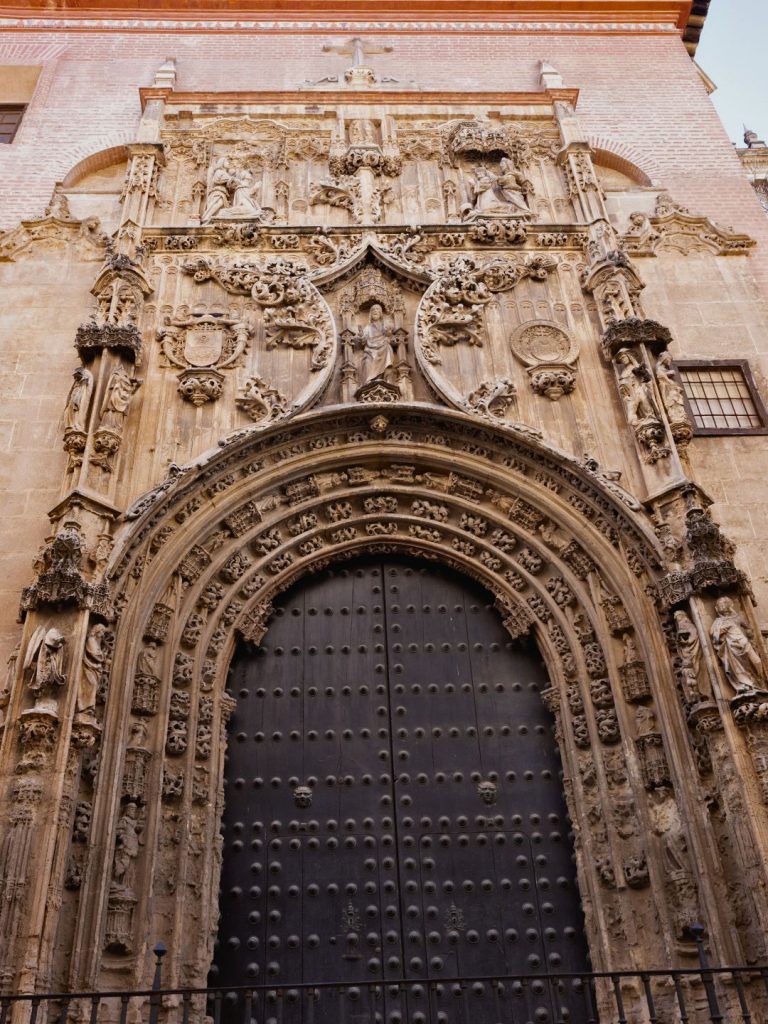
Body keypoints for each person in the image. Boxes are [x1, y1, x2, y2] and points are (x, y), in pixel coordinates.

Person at [710, 596, 764, 695]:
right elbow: (713, 633)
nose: (723, 606)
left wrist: (750, 634)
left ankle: (760, 681)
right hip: (732, 647)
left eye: (725, 603)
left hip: (744, 643)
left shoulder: (737, 617)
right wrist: (721, 631)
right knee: (737, 668)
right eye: (720, 604)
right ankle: (746, 685)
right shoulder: (718, 621)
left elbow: (747, 627)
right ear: (717, 608)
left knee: (757, 661)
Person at [359, 304, 395, 384]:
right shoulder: (368, 327)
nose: (375, 311)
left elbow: (389, 335)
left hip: (382, 348)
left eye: (377, 309)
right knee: (367, 361)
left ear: (381, 313)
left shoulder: (384, 325)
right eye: (373, 310)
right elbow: (363, 340)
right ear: (371, 314)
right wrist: (361, 335)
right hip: (370, 350)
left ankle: (386, 378)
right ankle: (369, 381)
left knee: (387, 348)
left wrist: (388, 333)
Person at [64, 367, 93, 433]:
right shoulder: (77, 383)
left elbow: (87, 384)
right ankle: (71, 424)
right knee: (69, 409)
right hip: (74, 396)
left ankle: (76, 425)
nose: (75, 378)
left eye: (76, 376)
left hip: (78, 397)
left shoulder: (85, 382)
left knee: (76, 408)